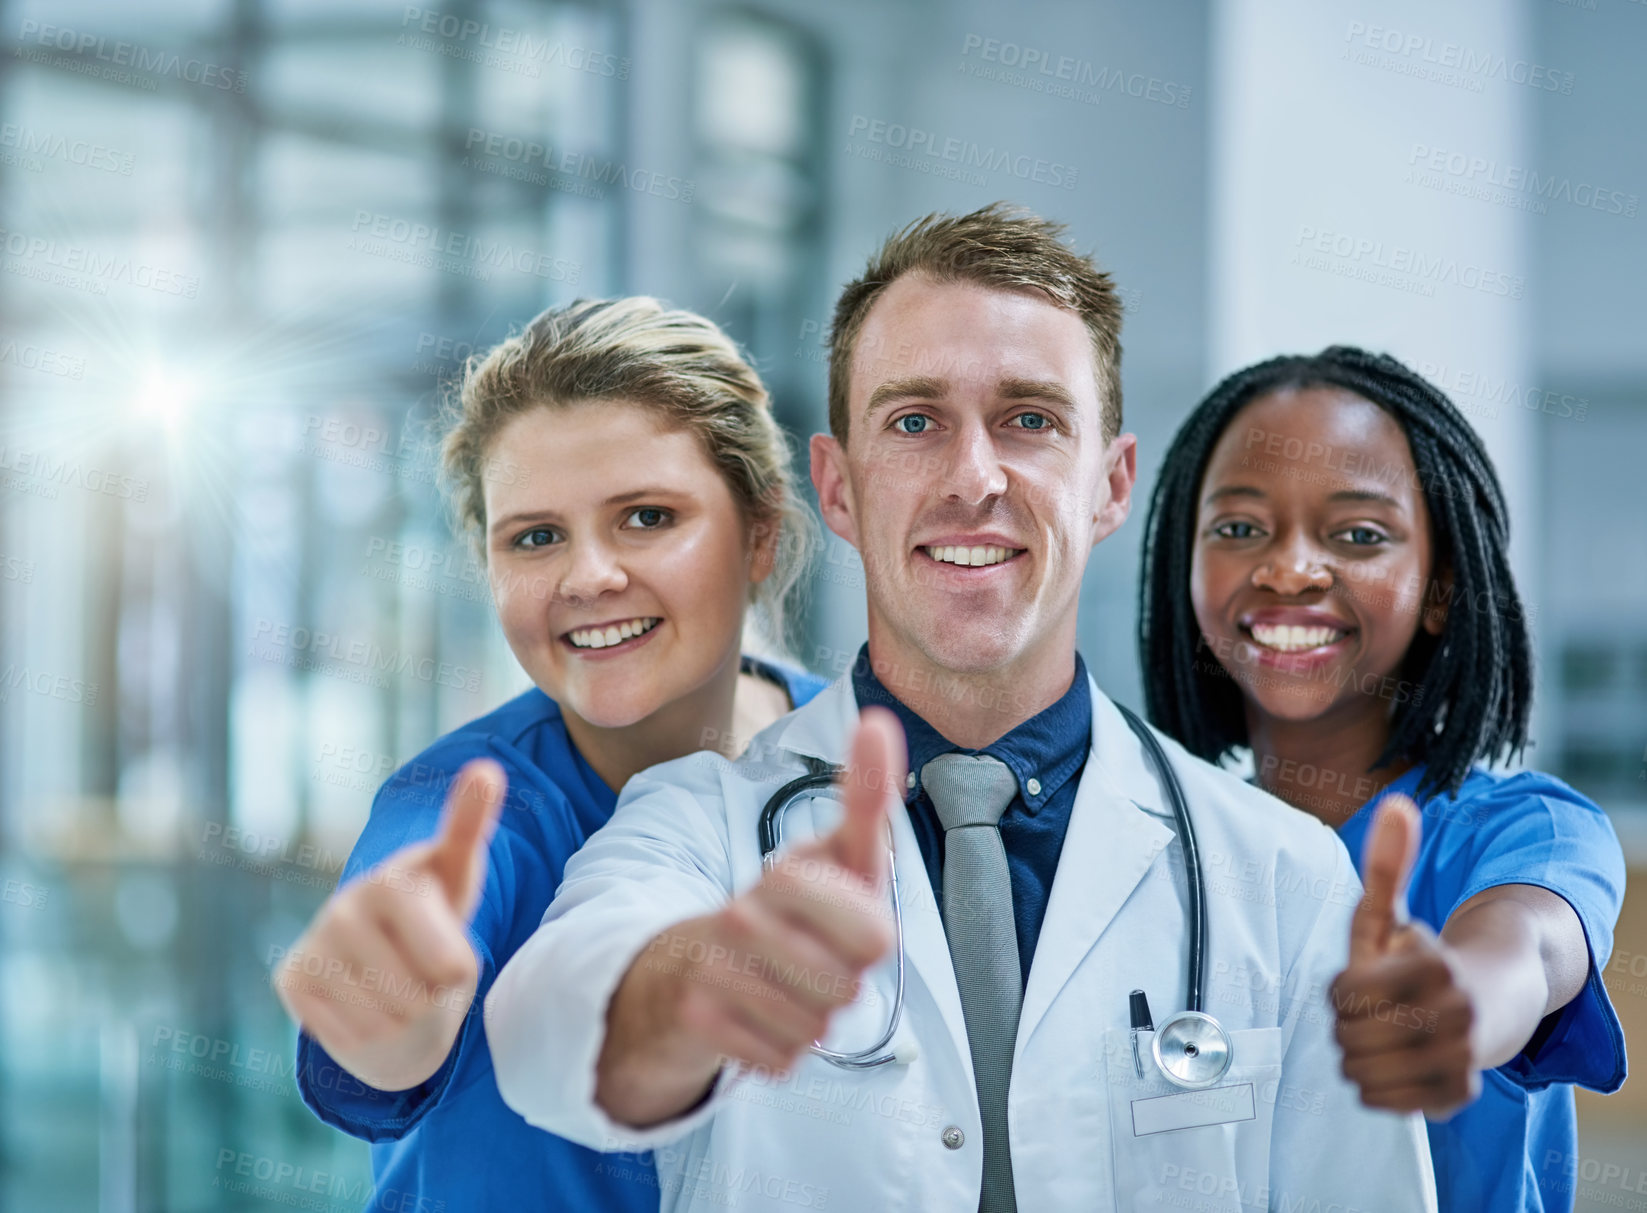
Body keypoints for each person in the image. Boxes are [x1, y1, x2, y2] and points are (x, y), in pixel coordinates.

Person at [485, 207, 1438, 1212]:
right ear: (839, 490)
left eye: (1030, 419)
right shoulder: (698, 824)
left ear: (1111, 486)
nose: (974, 478)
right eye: (913, 422)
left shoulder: (1283, 876)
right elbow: (554, 1032)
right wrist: (692, 987)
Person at [270, 297, 828, 1212]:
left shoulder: (846, 752)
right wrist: (388, 1008)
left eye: (646, 517)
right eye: (535, 537)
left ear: (759, 535)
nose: (587, 576)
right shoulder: (458, 806)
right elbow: (391, 1020)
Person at [1136, 345, 1627, 1211]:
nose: (1288, 569)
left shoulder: (1523, 831)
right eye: (1238, 528)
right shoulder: (1155, 848)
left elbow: (1526, 943)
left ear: (1439, 587)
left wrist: (1456, 1002)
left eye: (1357, 534)